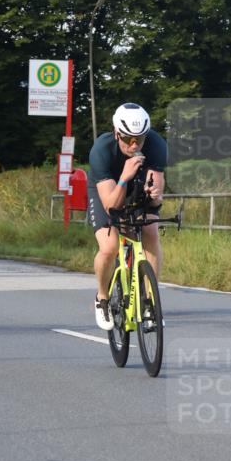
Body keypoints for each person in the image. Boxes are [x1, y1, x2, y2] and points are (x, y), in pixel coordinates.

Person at [88, 103, 166, 331]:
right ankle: (102, 298)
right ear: (116, 133)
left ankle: (151, 303)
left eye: (139, 140)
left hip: (137, 184)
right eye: (128, 139)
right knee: (110, 247)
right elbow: (111, 205)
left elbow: (156, 198)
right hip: (108, 189)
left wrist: (154, 195)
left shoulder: (157, 144)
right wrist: (124, 175)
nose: (134, 145)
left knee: (151, 231)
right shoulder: (101, 150)